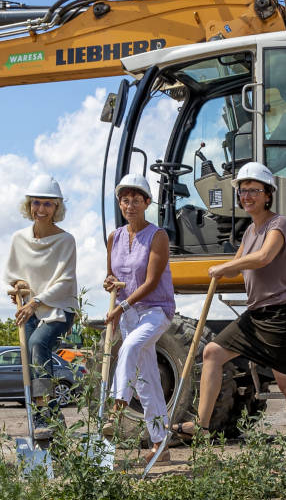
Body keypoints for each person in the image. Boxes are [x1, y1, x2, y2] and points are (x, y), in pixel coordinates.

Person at [176, 162, 286, 439]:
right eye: (242, 191)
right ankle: (201, 425)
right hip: (256, 314)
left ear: (268, 194)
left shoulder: (278, 224)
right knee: (212, 352)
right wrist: (220, 269)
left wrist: (224, 268)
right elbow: (237, 266)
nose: (246, 196)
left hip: (280, 314)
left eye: (253, 191)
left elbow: (263, 258)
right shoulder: (249, 232)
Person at [102, 173, 176, 465]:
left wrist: (122, 306)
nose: (129, 205)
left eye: (136, 200)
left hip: (155, 311)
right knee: (147, 381)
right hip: (128, 314)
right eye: (124, 200)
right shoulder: (115, 237)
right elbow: (111, 276)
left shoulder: (158, 236)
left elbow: (152, 280)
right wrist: (109, 284)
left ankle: (115, 409)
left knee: (130, 347)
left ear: (147, 202)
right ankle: (161, 444)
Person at [4, 175, 78, 440]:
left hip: (59, 308)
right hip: (30, 309)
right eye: (37, 203)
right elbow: (11, 275)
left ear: (57, 207)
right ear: (29, 205)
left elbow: (66, 280)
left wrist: (36, 300)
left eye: (48, 204)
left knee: (37, 344)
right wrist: (18, 286)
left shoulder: (66, 241)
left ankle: (42, 413)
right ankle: (53, 420)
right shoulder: (18, 239)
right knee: (28, 358)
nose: (41, 209)